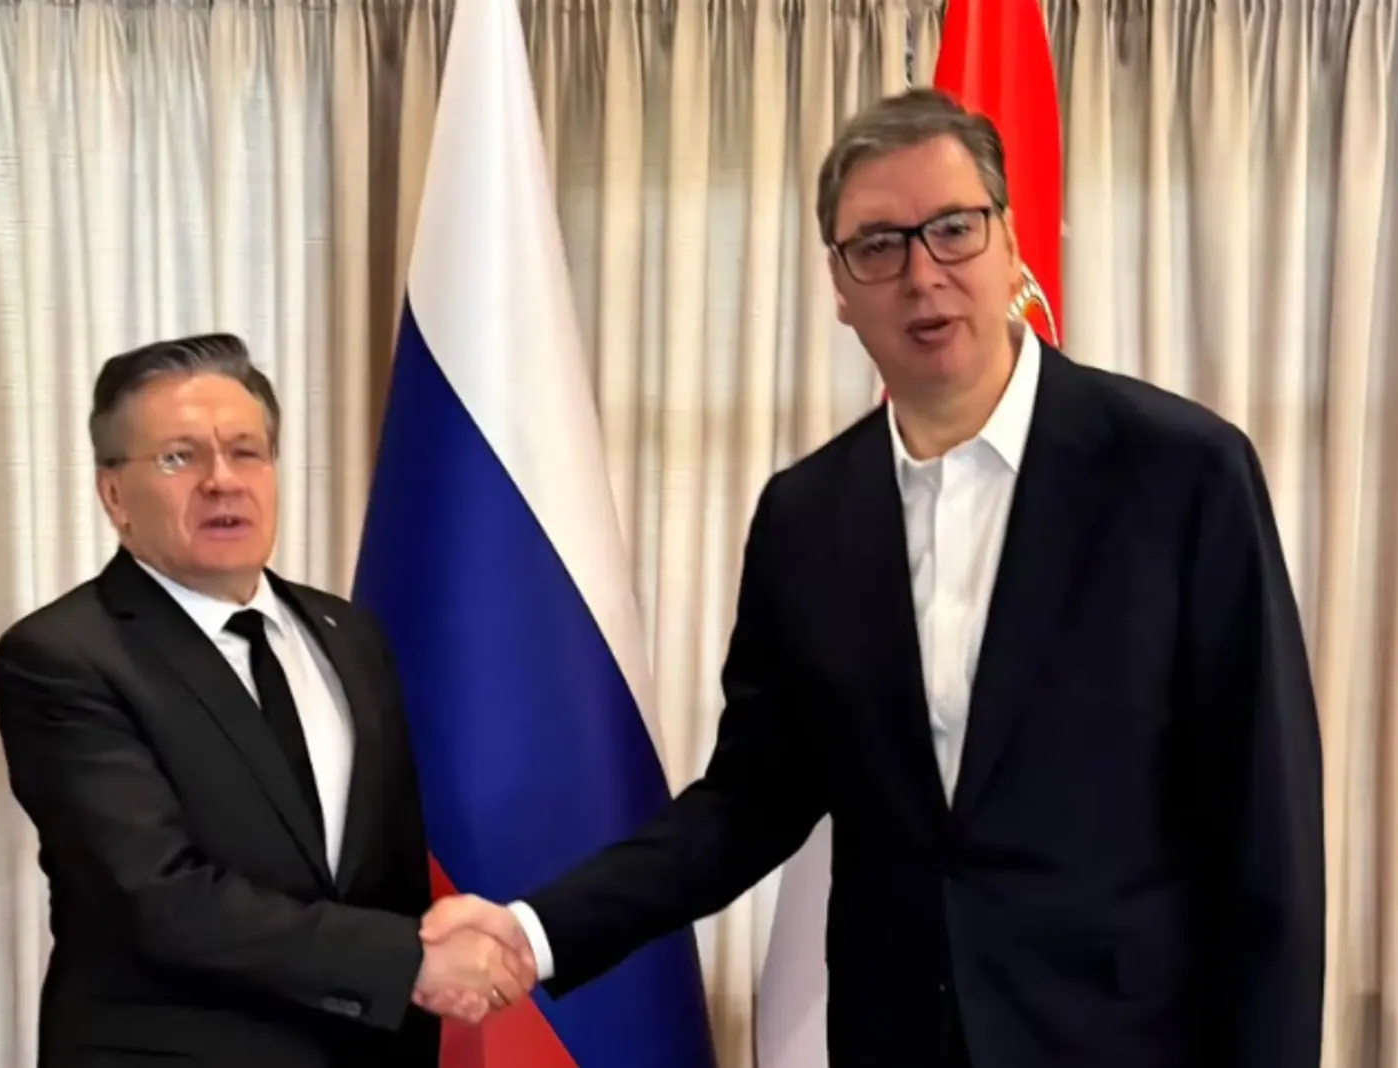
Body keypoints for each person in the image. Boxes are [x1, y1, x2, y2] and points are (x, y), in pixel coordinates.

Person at [419, 89, 1326, 1067]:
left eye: (953, 230)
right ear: (840, 287)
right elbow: (746, 806)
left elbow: (1264, 827)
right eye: (879, 246)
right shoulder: (807, 517)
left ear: (1011, 242)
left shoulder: (1181, 473)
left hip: (1120, 1043)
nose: (922, 275)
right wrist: (535, 933)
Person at [0, 335, 531, 1068]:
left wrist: (443, 952)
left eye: (246, 452)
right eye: (179, 457)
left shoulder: (349, 634)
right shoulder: (62, 655)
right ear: (113, 495)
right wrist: (408, 961)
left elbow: (385, 870)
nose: (222, 481)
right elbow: (157, 897)